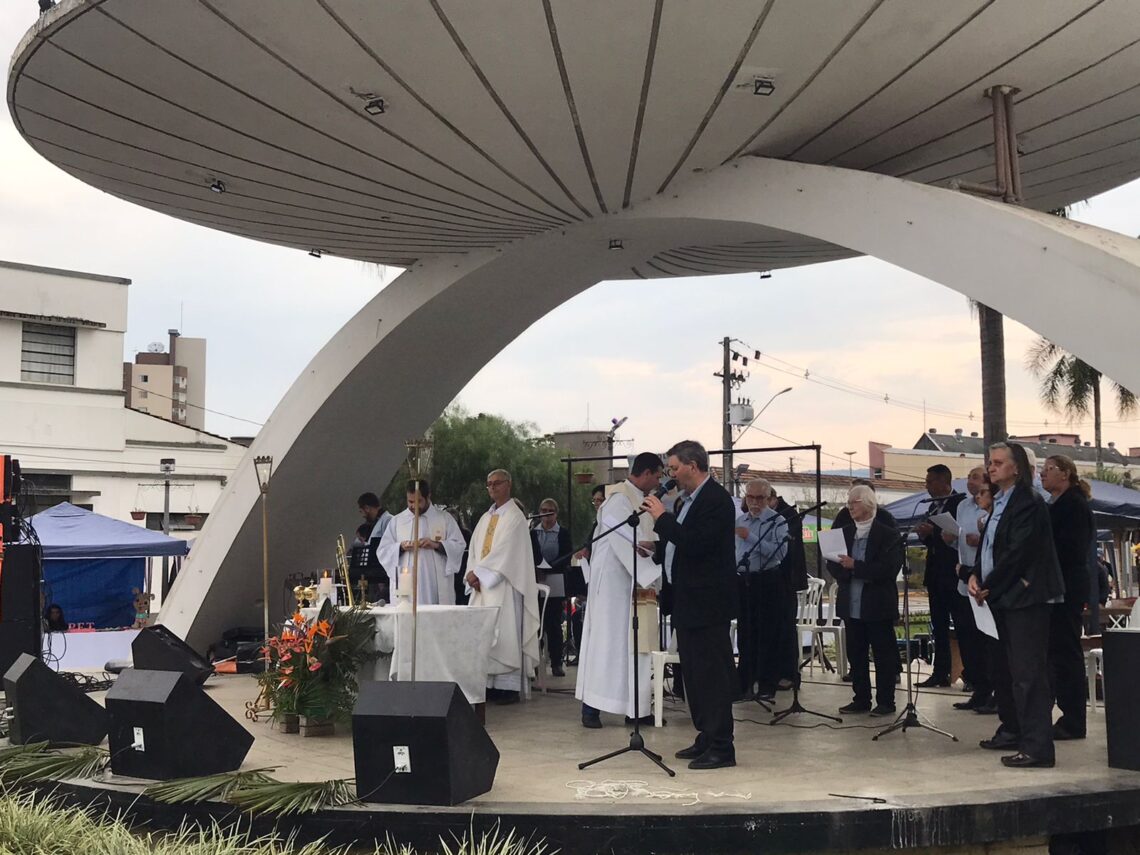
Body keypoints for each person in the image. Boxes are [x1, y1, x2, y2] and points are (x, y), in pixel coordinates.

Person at [643, 440, 737, 770]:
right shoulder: (688, 501)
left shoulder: (716, 500)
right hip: (686, 600)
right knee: (693, 675)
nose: (670, 475)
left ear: (692, 466)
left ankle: (722, 745)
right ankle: (706, 735)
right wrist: (656, 548)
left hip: (708, 602)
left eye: (673, 468)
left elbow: (698, 545)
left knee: (711, 674)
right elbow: (680, 546)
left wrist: (661, 518)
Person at [970, 443, 1065, 768]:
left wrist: (989, 584)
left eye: (998, 463)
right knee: (1013, 672)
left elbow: (1018, 553)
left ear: (1017, 468)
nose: (991, 467)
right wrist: (974, 574)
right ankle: (1019, 734)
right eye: (990, 462)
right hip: (1007, 596)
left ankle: (1038, 748)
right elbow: (989, 546)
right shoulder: (1000, 500)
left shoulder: (1028, 502)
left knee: (1029, 674)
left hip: (1027, 597)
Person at [575, 452, 663, 727]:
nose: (659, 481)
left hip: (635, 585)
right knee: (607, 645)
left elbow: (647, 538)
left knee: (638, 646)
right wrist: (652, 571)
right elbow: (622, 540)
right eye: (658, 475)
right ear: (646, 473)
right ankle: (591, 708)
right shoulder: (617, 500)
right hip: (614, 588)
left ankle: (637, 710)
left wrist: (653, 554)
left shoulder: (643, 500)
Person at [466, 469, 540, 704]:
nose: (492, 487)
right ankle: (488, 685)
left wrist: (479, 573)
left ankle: (508, 688)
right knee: (484, 636)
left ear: (508, 484)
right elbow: (474, 549)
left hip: (505, 584)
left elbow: (506, 551)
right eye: (489, 484)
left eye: (497, 483)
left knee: (506, 632)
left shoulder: (515, 517)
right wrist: (471, 573)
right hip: (482, 587)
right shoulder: (485, 518)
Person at [828, 485, 903, 715]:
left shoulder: (888, 534)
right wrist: (845, 571)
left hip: (877, 603)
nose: (850, 506)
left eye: (855, 502)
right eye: (848, 502)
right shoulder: (844, 532)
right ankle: (861, 699)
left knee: (883, 654)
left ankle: (886, 701)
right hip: (851, 603)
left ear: (869, 503)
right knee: (856, 654)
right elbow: (832, 563)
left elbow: (888, 569)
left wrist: (856, 566)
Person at [1041, 454, 1095, 741]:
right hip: (1055, 585)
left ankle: (1074, 719)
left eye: (1048, 469)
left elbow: (1071, 549)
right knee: (1057, 652)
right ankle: (1064, 712)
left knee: (1066, 652)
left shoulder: (1073, 505)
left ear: (1065, 474)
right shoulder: (1055, 504)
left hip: (1067, 586)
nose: (1042, 474)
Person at [734, 478, 788, 701]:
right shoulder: (740, 520)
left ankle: (767, 684)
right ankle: (744, 684)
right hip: (743, 581)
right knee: (745, 633)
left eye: (759, 498)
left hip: (767, 580)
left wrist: (751, 537)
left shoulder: (777, 521)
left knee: (767, 634)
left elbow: (780, 553)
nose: (754, 502)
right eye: (750, 497)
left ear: (768, 499)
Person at [376, 480, 466, 605]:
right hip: (406, 581)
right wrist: (400, 547)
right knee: (406, 610)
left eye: (418, 501)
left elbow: (459, 545)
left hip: (434, 583)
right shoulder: (397, 521)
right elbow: (383, 550)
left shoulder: (444, 519)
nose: (414, 506)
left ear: (428, 496)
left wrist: (437, 545)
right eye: (410, 502)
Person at [914, 464, 963, 688]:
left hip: (954, 573)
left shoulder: (959, 503)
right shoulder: (933, 506)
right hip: (935, 573)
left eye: (930, 481)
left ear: (944, 482)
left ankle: (970, 674)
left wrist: (934, 531)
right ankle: (940, 671)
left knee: (962, 624)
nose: (927, 486)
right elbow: (934, 541)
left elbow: (958, 534)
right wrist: (925, 534)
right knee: (939, 625)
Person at [950, 466, 993, 711]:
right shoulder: (963, 506)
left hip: (985, 583)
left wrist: (981, 539)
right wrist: (950, 538)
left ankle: (993, 692)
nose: (970, 481)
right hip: (964, 580)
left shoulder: (994, 510)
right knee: (967, 639)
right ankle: (977, 688)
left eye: (975, 477)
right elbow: (958, 536)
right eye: (968, 477)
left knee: (986, 641)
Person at [767, 487, 807, 690]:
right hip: (766, 579)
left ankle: (789, 673)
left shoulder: (788, 515)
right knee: (770, 628)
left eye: (763, 499)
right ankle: (768, 672)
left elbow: (786, 548)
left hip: (785, 579)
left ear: (773, 498)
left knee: (785, 628)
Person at [531, 498, 573, 678]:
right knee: (535, 623)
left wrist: (550, 567)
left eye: (550, 511)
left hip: (555, 580)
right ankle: (534, 663)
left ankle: (556, 662)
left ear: (556, 513)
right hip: (535, 580)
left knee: (553, 624)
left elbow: (567, 555)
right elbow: (530, 553)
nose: (546, 514)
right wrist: (537, 568)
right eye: (543, 510)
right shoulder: (533, 532)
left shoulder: (563, 533)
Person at [355, 492, 393, 601]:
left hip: (383, 576)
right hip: (375, 575)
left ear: (367, 508)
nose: (362, 515)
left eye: (362, 511)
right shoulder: (379, 522)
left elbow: (387, 548)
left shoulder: (388, 520)